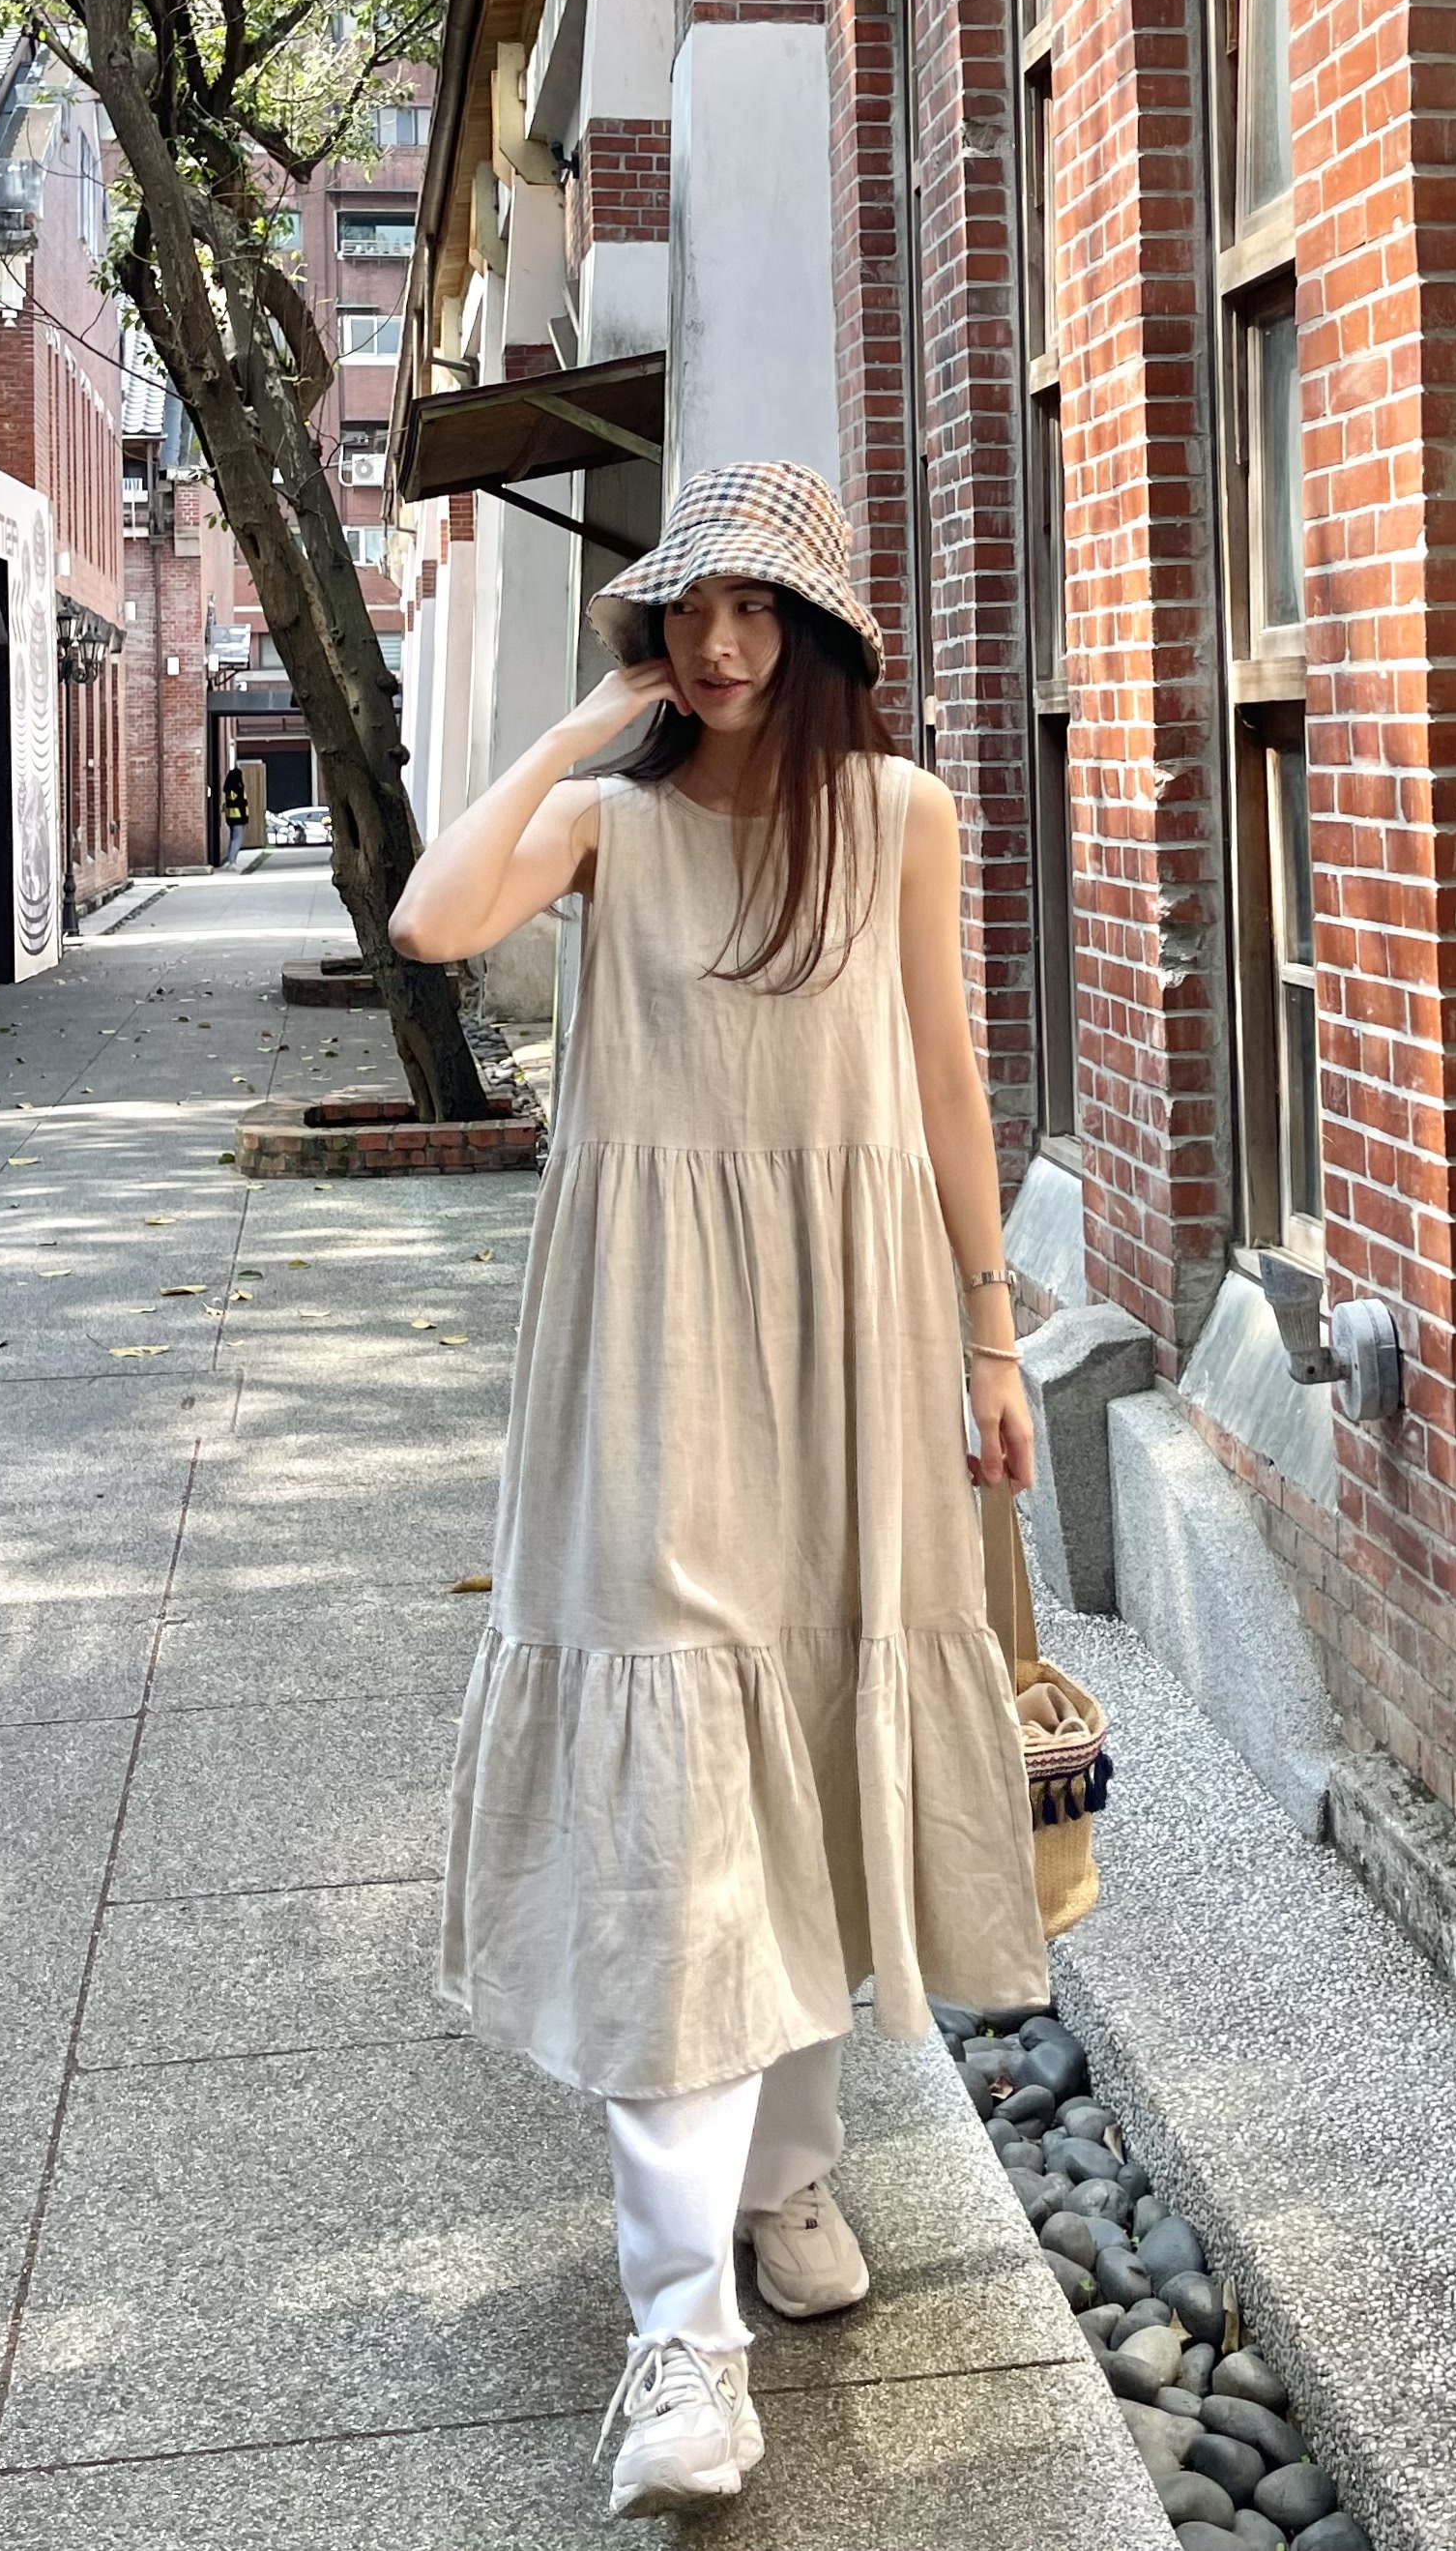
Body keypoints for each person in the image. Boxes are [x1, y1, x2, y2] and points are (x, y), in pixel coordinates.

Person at [391, 461, 1048, 2521]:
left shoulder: (898, 816)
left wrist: (989, 1334)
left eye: (761, 610)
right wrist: (574, 728)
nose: (724, 642)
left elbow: (943, 1078)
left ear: (823, 636)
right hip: (651, 1337)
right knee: (679, 1789)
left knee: (816, 1722)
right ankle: (679, 2330)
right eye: (690, 609)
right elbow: (429, 920)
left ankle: (787, 2171)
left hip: (855, 1326)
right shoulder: (610, 819)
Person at [220, 761, 248, 865]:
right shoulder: (237, 789)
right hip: (238, 817)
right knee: (237, 839)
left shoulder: (229, 790)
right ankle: (232, 861)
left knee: (233, 838)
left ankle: (231, 860)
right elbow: (241, 804)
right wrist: (245, 818)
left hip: (230, 817)